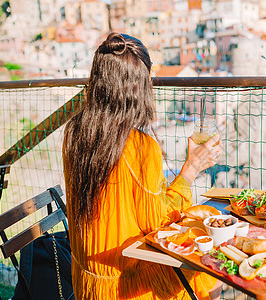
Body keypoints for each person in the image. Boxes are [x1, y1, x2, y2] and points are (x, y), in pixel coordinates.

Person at [63, 33, 223, 300]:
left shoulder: (75, 132)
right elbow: (156, 224)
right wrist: (191, 170)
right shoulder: (140, 147)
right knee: (209, 267)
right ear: (142, 85)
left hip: (87, 283)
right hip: (127, 286)